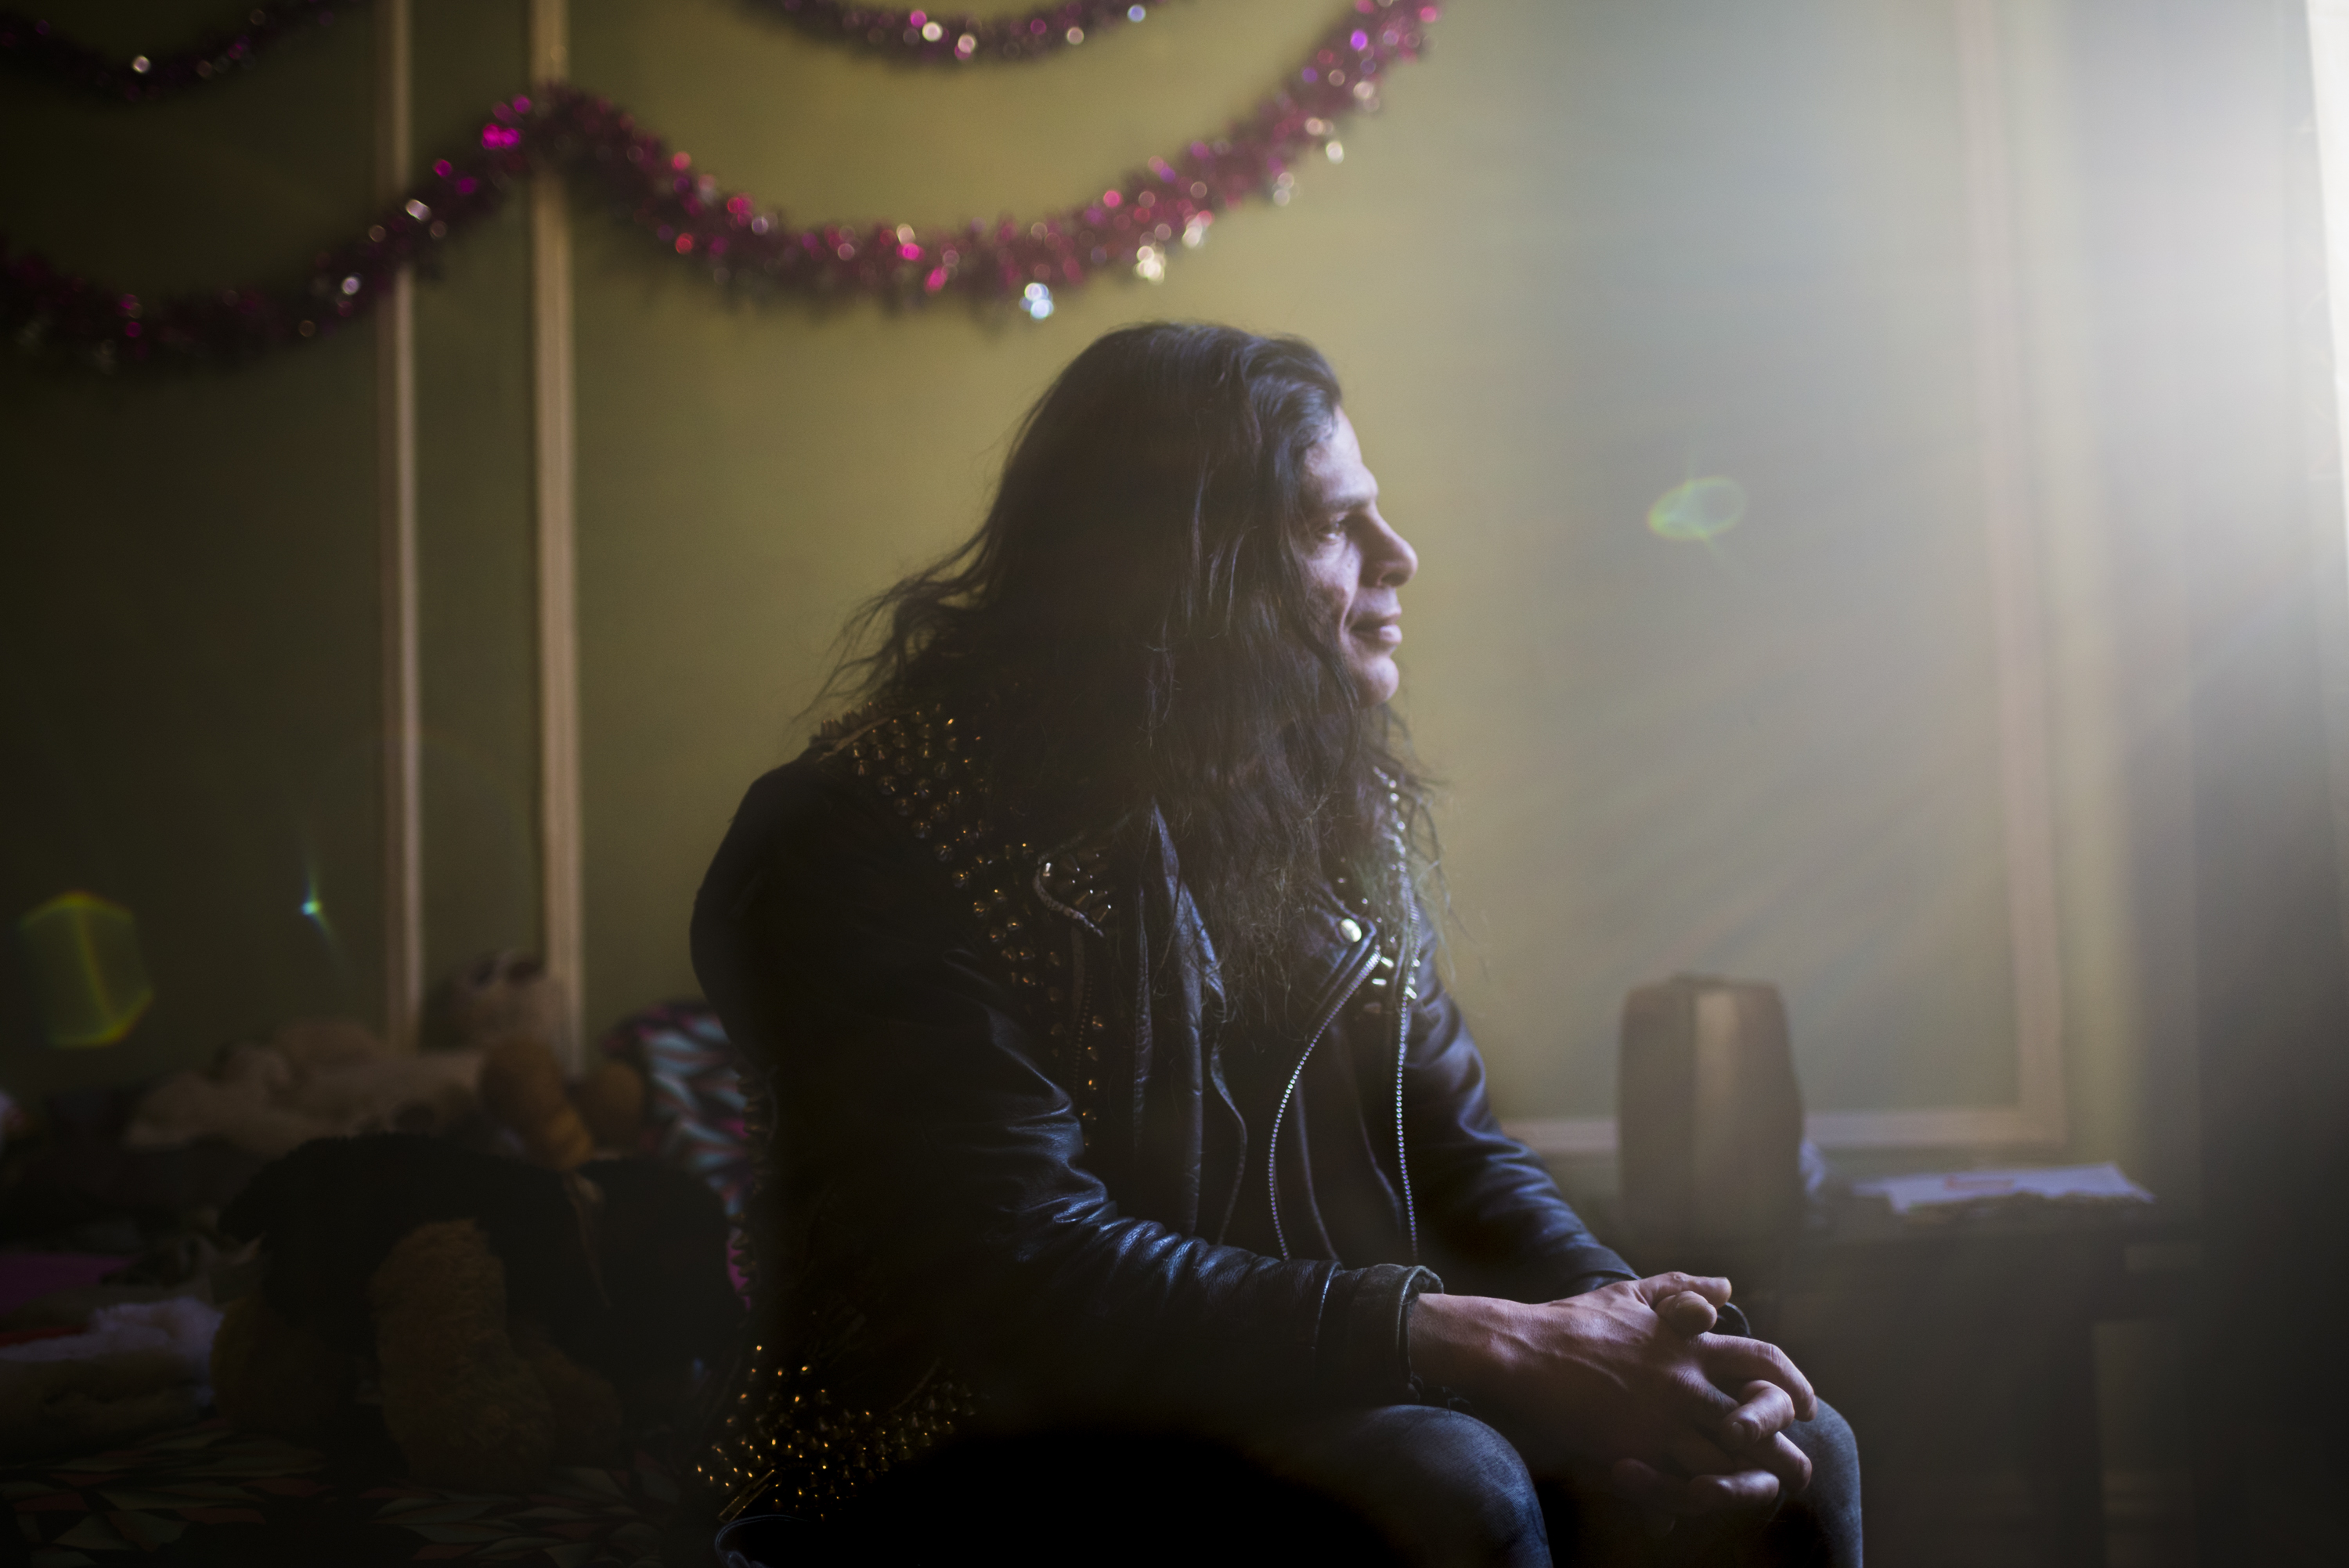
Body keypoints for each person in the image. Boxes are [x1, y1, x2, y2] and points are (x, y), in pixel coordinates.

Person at [688, 323, 1860, 1566]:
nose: (1400, 555)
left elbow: (1459, 1159)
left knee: (1798, 1448)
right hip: (951, 1450)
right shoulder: (865, 834)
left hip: (1289, 1377)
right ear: (1183, 569)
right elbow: (1021, 1267)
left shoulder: (1301, 796)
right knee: (1441, 1479)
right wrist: (1476, 1342)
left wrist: (1637, 1339)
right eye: (1334, 526)